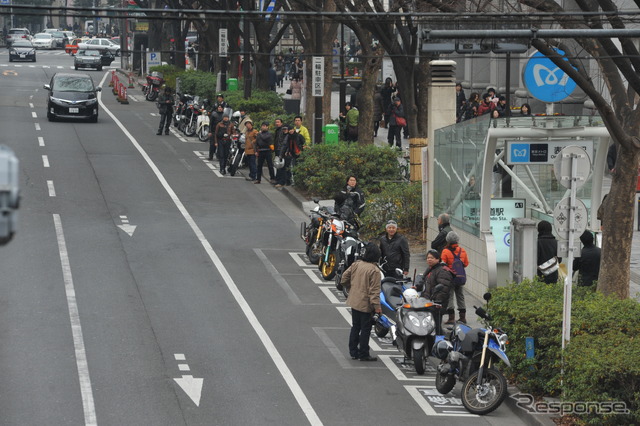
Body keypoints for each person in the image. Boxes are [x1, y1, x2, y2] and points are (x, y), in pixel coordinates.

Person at [340, 242, 382, 362]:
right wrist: (377, 307)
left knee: (355, 327)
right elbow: (374, 292)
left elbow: (344, 278)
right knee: (365, 329)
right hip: (365, 304)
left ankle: (353, 351)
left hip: (354, 300)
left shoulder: (356, 264)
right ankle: (364, 353)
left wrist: (350, 287)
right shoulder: (375, 271)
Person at [416, 249, 453, 332]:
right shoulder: (430, 269)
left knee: (436, 326)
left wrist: (437, 301)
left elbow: (444, 288)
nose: (429, 259)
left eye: (432, 258)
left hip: (436, 304)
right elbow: (425, 283)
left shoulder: (442, 271)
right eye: (428, 258)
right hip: (427, 302)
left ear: (438, 259)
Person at [441, 231, 469, 324]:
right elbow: (466, 264)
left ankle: (451, 318)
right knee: (460, 296)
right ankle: (462, 317)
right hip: (460, 277)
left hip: (450, 278)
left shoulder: (445, 251)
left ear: (447, 240)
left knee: (450, 297)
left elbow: (443, 264)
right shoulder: (463, 251)